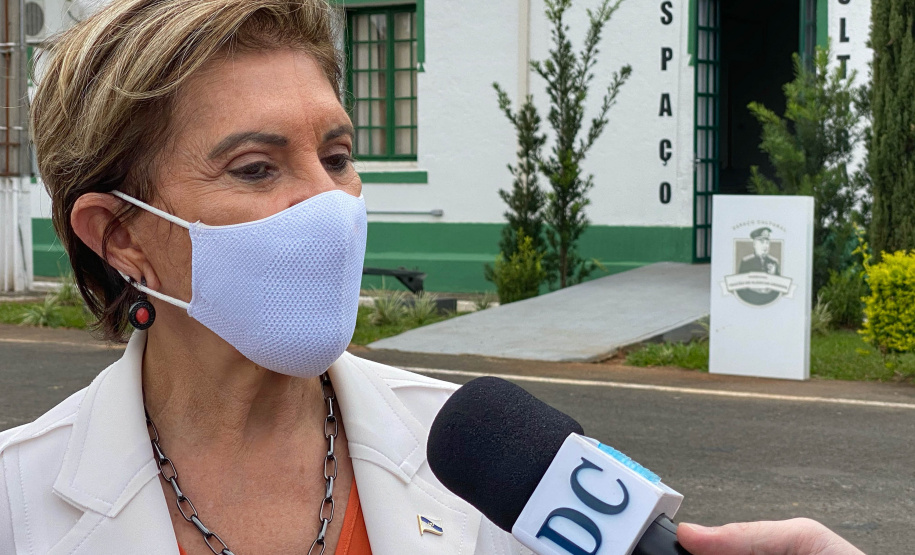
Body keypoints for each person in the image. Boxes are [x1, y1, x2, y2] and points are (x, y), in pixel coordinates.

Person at [0, 1, 525, 553]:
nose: (329, 204)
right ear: (119, 236)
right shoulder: (17, 504)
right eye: (255, 169)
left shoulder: (491, 467)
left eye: (338, 157)